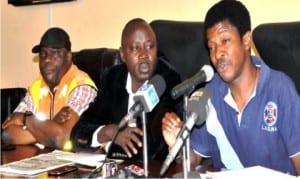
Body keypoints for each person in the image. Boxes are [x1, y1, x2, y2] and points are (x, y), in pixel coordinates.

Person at [162, 0, 300, 176]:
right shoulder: (208, 96)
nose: (217, 53)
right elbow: (192, 161)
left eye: (225, 41)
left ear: (246, 40)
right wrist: (177, 145)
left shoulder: (280, 90)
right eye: (211, 47)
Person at [70, 18, 182, 161]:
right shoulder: (112, 79)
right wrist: (109, 132)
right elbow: (77, 134)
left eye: (150, 47)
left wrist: (109, 146)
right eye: (135, 48)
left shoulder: (167, 80)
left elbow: (152, 148)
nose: (144, 54)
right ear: (123, 54)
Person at [1, 27, 98, 150]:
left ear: (69, 57)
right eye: (43, 54)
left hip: (75, 163)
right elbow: (8, 133)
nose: (47, 59)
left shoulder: (82, 86)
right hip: (41, 161)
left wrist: (24, 119)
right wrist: (51, 126)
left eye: (56, 53)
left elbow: (61, 138)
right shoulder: (37, 86)